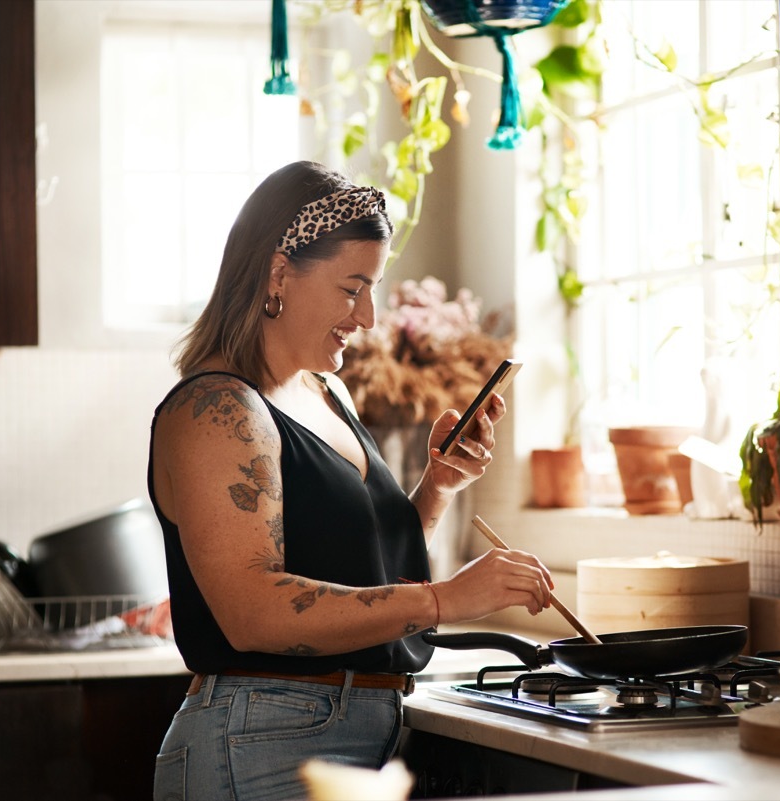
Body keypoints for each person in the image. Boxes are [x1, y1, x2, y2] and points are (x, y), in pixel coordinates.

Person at [147, 160, 553, 801]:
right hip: (260, 746)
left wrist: (436, 487)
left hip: (359, 734)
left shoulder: (326, 392)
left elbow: (356, 566)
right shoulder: (217, 410)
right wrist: (444, 599)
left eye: (375, 288)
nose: (367, 316)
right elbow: (254, 613)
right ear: (279, 273)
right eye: (351, 287)